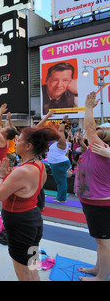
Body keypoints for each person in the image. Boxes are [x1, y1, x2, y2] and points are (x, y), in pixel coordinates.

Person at [0, 125, 60, 281]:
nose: (15, 143)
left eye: (19, 141)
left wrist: (1, 176)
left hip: (20, 224)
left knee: (23, 272)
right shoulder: (40, 165)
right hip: (33, 220)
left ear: (28, 146)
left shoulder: (22, 171)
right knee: (32, 266)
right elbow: (28, 188)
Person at [74, 92, 110, 281]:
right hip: (94, 202)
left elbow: (89, 128)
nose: (95, 133)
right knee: (100, 241)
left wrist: (88, 108)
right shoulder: (96, 151)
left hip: (100, 204)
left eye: (100, 132)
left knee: (104, 243)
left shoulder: (102, 151)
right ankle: (98, 269)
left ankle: (102, 277)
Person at [47, 115, 71, 203]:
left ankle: (61, 199)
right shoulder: (58, 143)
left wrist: (63, 121)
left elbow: (61, 130)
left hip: (59, 163)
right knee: (60, 181)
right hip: (58, 163)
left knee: (61, 181)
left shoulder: (62, 143)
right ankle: (60, 196)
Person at [0, 104, 18, 179]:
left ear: (6, 133)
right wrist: (1, 113)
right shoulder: (4, 139)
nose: (2, 128)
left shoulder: (3, 140)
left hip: (0, 169)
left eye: (4, 128)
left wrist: (0, 111)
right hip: (0, 167)